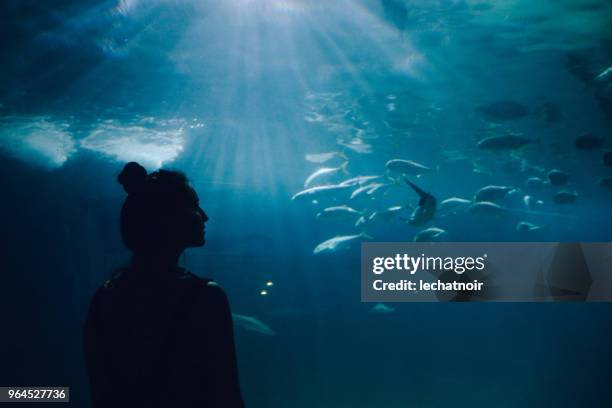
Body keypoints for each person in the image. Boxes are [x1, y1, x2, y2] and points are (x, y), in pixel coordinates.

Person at [84, 162, 244, 407]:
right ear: (167, 218)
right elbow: (225, 392)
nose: (204, 216)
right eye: (194, 206)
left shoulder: (104, 295)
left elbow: (100, 388)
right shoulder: (206, 297)